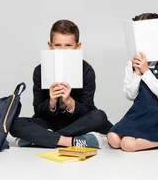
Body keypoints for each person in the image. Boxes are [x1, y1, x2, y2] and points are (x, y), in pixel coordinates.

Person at [9, 19, 113, 148]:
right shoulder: (40, 70)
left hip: (78, 122)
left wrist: (69, 101)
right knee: (14, 123)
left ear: (77, 46)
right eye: (58, 45)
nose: (63, 50)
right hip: (49, 122)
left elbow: (88, 108)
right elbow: (38, 109)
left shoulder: (86, 70)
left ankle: (41, 139)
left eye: (68, 45)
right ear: (50, 45)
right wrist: (51, 101)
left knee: (99, 116)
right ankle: (72, 141)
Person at [107, 13, 158, 152]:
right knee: (113, 139)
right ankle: (154, 137)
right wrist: (137, 74)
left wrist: (146, 72)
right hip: (138, 112)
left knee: (128, 144)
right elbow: (130, 96)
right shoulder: (132, 63)